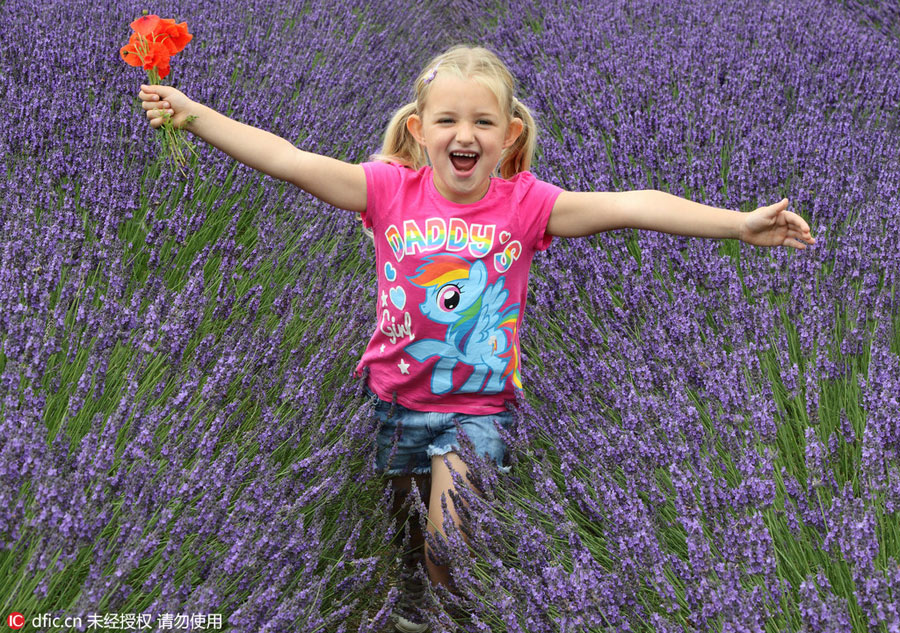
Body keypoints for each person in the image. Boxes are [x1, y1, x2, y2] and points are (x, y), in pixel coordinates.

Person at [138, 44, 815, 632]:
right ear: (419, 129)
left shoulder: (527, 205)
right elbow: (288, 159)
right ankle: (414, 581)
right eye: (449, 120)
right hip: (395, 394)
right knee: (409, 518)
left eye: (483, 122)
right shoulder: (388, 190)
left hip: (477, 407)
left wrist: (737, 223)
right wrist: (194, 115)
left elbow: (633, 204)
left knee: (450, 535)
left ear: (510, 135)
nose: (465, 134)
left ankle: (446, 610)